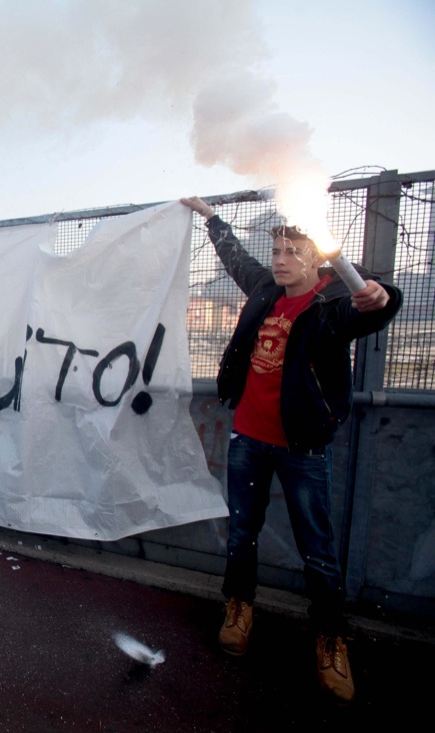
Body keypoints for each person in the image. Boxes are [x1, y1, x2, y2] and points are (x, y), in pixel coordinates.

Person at [181, 196, 401, 704]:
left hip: (301, 449)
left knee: (318, 552)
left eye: (292, 251)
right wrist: (212, 217)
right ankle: (239, 608)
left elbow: (373, 304)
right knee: (242, 533)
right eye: (277, 249)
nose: (279, 259)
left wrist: (381, 297)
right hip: (248, 440)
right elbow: (235, 257)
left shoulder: (332, 304)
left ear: (316, 258)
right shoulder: (264, 288)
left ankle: (330, 639)